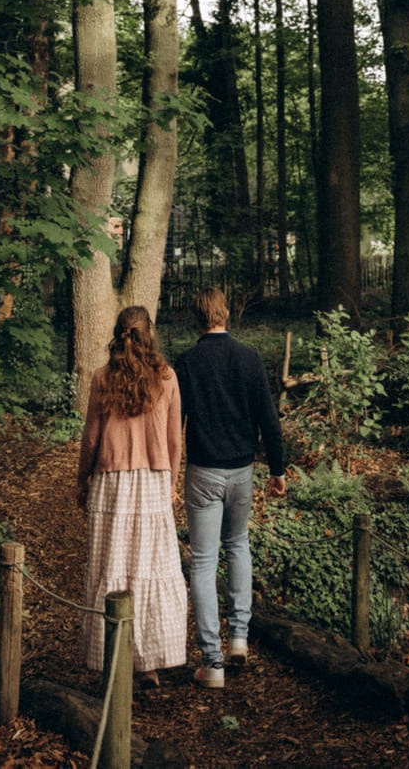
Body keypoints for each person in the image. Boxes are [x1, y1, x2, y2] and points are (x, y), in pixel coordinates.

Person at [174, 286, 286, 689]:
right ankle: (239, 638)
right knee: (238, 544)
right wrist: (278, 468)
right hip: (242, 470)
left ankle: (212, 663)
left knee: (203, 562)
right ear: (225, 314)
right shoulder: (249, 358)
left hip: (203, 470)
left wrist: (170, 471)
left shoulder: (186, 363)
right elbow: (268, 420)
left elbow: (176, 425)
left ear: (196, 318)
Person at [76, 305, 187, 683]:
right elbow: (175, 440)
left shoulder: (102, 377)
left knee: (112, 568)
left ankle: (114, 661)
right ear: (149, 333)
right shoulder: (167, 378)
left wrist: (81, 480)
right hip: (154, 482)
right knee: (151, 569)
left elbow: (91, 438)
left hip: (111, 484)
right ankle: (149, 662)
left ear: (118, 333)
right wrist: (170, 483)